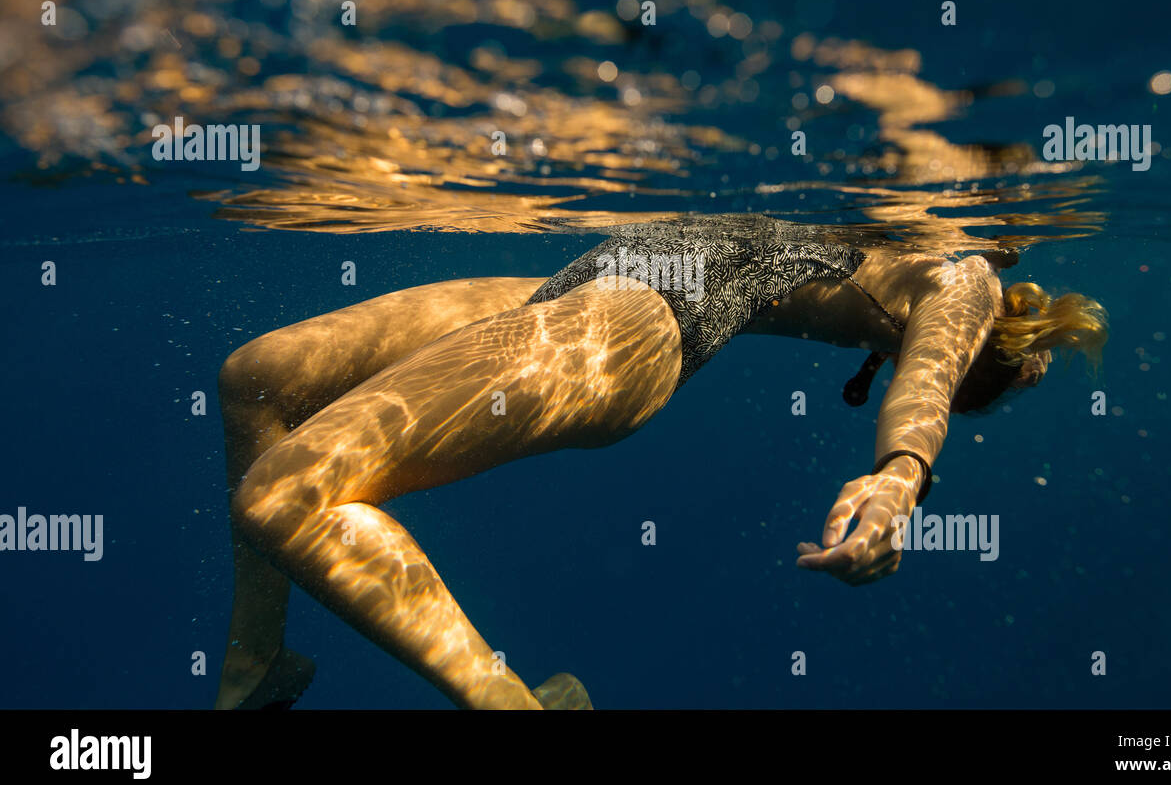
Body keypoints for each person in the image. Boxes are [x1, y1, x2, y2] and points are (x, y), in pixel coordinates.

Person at [212, 214, 1107, 710]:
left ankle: (505, 705)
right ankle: (258, 665)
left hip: (627, 325)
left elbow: (926, 378)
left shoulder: (968, 280)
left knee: (285, 494)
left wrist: (899, 478)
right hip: (577, 290)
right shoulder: (910, 240)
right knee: (261, 377)